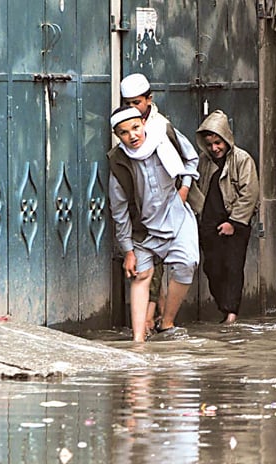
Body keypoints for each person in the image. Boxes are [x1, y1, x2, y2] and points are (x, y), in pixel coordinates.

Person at [107, 106, 200, 342]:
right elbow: (119, 211)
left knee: (187, 262)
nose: (133, 136)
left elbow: (191, 158)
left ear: (143, 124)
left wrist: (185, 187)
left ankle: (167, 322)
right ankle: (138, 340)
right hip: (144, 228)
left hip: (176, 215)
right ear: (119, 136)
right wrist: (128, 250)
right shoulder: (118, 162)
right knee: (141, 274)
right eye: (125, 132)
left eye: (136, 128)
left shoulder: (165, 135)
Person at [192, 110, 259, 324]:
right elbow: (194, 188)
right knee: (212, 268)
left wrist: (234, 222)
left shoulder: (242, 160)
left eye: (218, 142)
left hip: (234, 223)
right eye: (210, 144)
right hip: (209, 224)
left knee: (232, 267)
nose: (215, 148)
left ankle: (231, 314)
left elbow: (249, 194)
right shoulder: (203, 161)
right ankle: (224, 308)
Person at [120, 73, 170, 331]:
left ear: (149, 100)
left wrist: (179, 197)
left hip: (164, 209)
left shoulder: (161, 126)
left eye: (136, 103)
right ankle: (148, 321)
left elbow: (185, 163)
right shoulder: (124, 127)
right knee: (143, 265)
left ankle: (152, 319)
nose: (131, 108)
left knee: (158, 265)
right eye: (126, 103)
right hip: (138, 209)